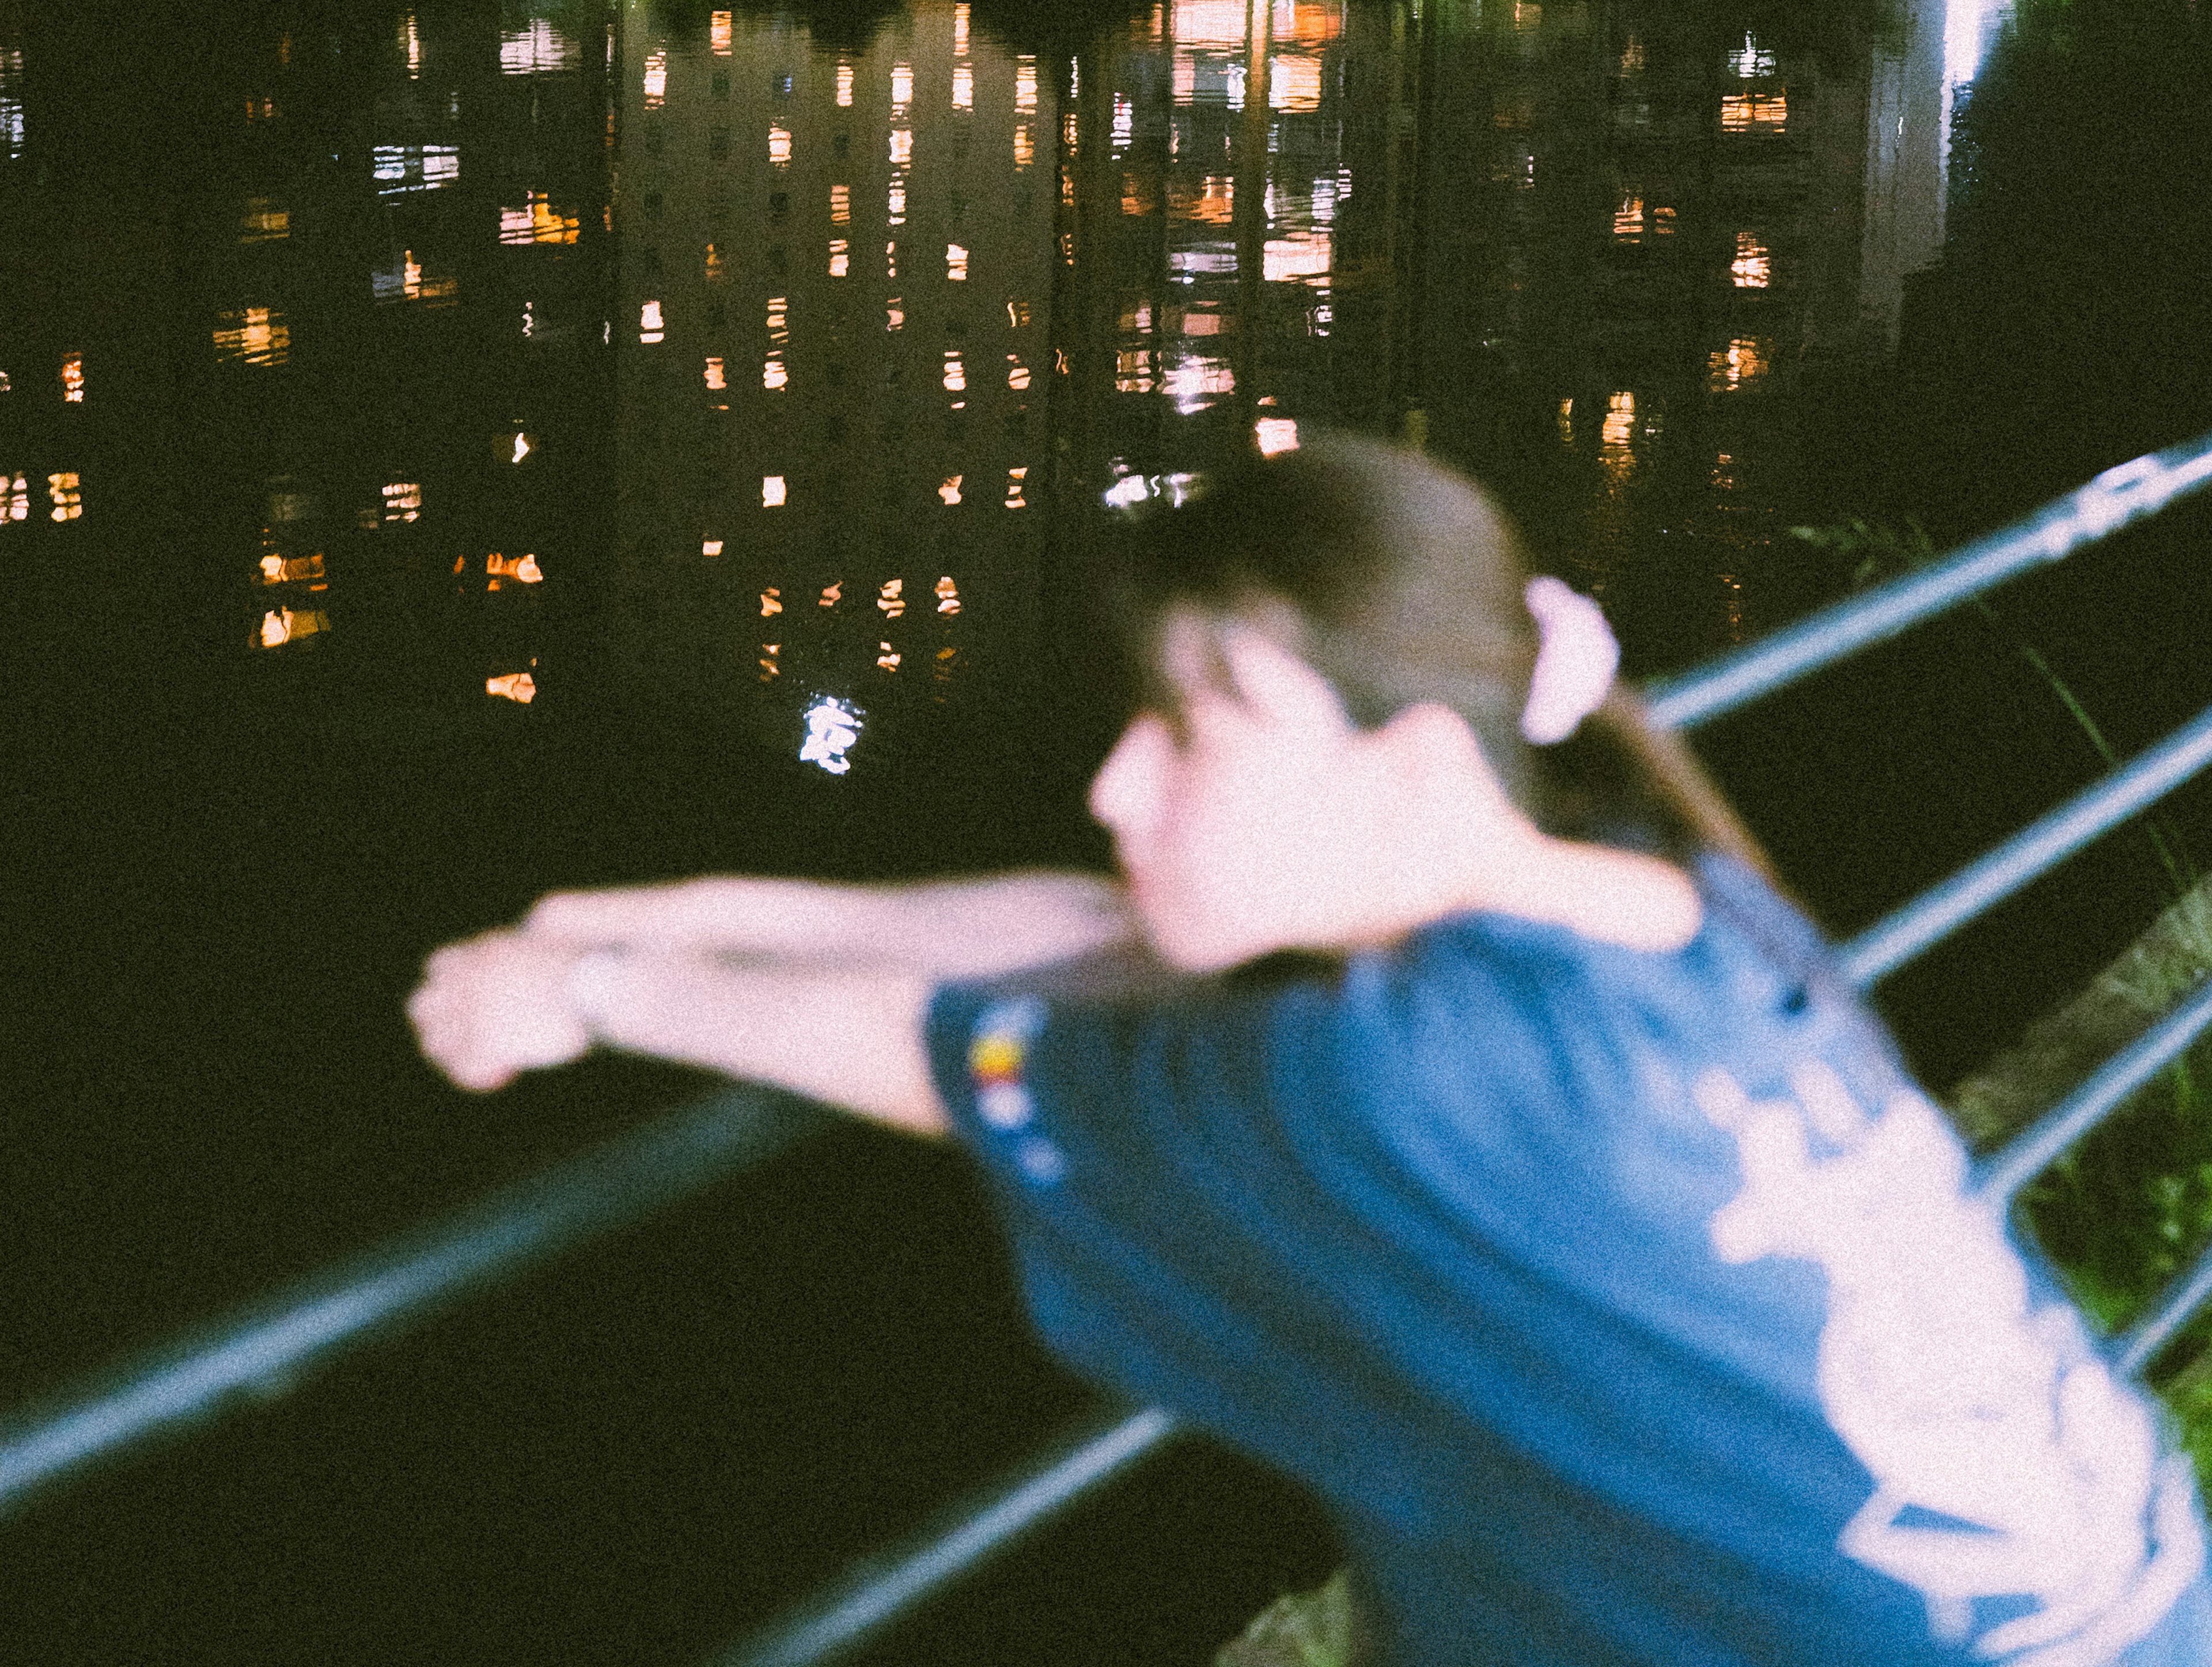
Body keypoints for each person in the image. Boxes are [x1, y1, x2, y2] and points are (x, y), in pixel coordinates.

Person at [408, 433, 2212, 1667]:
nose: (1122, 781)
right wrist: (637, 911)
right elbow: (1097, 935)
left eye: (1198, 735)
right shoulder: (1664, 902)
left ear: (1412, 766)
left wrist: (597, 1002)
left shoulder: (1405, 1090)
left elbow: (951, 1044)